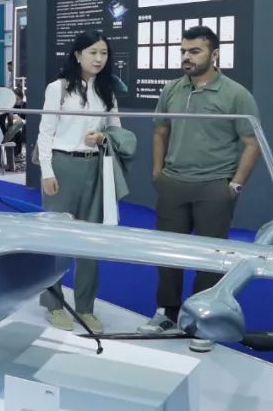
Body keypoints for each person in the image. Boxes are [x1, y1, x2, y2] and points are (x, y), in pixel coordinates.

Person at [139, 25, 260, 347]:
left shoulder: (236, 94)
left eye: (195, 51)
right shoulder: (172, 90)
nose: (187, 57)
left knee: (210, 258)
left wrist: (235, 185)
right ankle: (167, 312)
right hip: (174, 184)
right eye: (183, 51)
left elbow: (252, 143)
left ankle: (202, 319)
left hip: (214, 187)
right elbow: (160, 132)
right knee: (169, 254)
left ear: (214, 54)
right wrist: (158, 173)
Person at [36, 30, 123, 335]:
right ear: (77, 55)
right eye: (92, 53)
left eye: (103, 53)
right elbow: (45, 131)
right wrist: (47, 171)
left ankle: (86, 307)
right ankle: (54, 304)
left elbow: (116, 130)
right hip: (62, 167)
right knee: (57, 239)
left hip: (95, 167)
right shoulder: (58, 88)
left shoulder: (107, 90)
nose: (99, 59)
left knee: (91, 241)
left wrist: (102, 137)